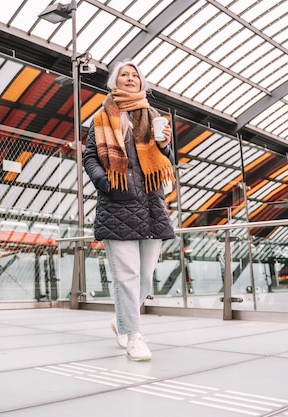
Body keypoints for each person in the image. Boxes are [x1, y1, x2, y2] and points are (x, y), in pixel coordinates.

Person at [83, 60, 175, 361]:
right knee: (127, 275)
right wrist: (105, 182)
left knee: (146, 276)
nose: (131, 78)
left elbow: (164, 159)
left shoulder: (152, 115)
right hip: (118, 204)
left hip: (151, 204)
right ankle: (135, 336)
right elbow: (91, 157)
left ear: (141, 82)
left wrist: (165, 144)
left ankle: (122, 320)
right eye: (125, 74)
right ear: (115, 82)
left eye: (135, 75)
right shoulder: (103, 117)